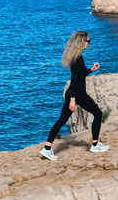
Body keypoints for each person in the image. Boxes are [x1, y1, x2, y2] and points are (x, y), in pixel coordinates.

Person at [40, 30, 109, 161]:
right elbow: (74, 81)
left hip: (75, 93)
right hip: (77, 94)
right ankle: (95, 144)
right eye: (88, 41)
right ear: (82, 42)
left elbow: (80, 75)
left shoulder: (77, 57)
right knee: (98, 114)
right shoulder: (78, 59)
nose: (89, 43)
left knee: (61, 120)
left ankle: (47, 148)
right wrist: (73, 100)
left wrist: (91, 70)